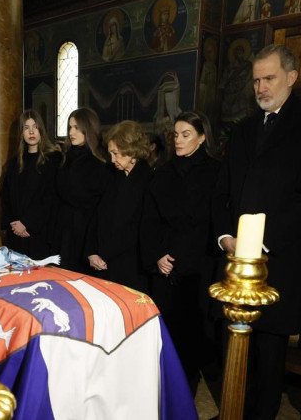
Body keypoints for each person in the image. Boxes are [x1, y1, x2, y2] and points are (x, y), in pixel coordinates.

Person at [211, 45, 301, 419]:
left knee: (267, 354)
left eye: (269, 78)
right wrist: (224, 236)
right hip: (234, 261)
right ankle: (233, 409)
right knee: (232, 345)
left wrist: (261, 241)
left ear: (291, 78)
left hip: (277, 260)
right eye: (256, 80)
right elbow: (222, 191)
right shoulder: (244, 129)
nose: (260, 87)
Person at [140, 111, 221, 395]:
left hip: (197, 270)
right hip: (163, 269)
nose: (179, 140)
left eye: (186, 134)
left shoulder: (216, 173)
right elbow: (148, 220)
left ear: (201, 137)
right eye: (176, 134)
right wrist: (157, 256)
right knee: (163, 336)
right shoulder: (162, 172)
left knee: (192, 339)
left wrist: (181, 259)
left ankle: (186, 397)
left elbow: (212, 225)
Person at [85, 121, 150, 290]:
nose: (112, 159)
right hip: (101, 261)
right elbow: (97, 215)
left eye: (116, 153)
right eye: (110, 154)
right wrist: (91, 251)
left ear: (131, 149)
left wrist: (104, 253)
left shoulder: (149, 179)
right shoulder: (112, 175)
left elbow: (137, 226)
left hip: (130, 265)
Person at [52, 108, 110, 272]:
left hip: (85, 233)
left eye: (77, 128)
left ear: (88, 128)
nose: (72, 132)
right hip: (63, 229)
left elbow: (98, 205)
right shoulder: (65, 157)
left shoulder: (100, 162)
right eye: (70, 127)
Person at [0, 110, 62, 259]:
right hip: (16, 234)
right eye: (26, 127)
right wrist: (13, 223)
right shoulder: (14, 162)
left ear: (41, 130)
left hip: (42, 233)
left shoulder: (54, 159)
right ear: (21, 133)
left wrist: (27, 223)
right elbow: (5, 196)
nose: (31, 131)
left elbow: (51, 197)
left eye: (35, 126)